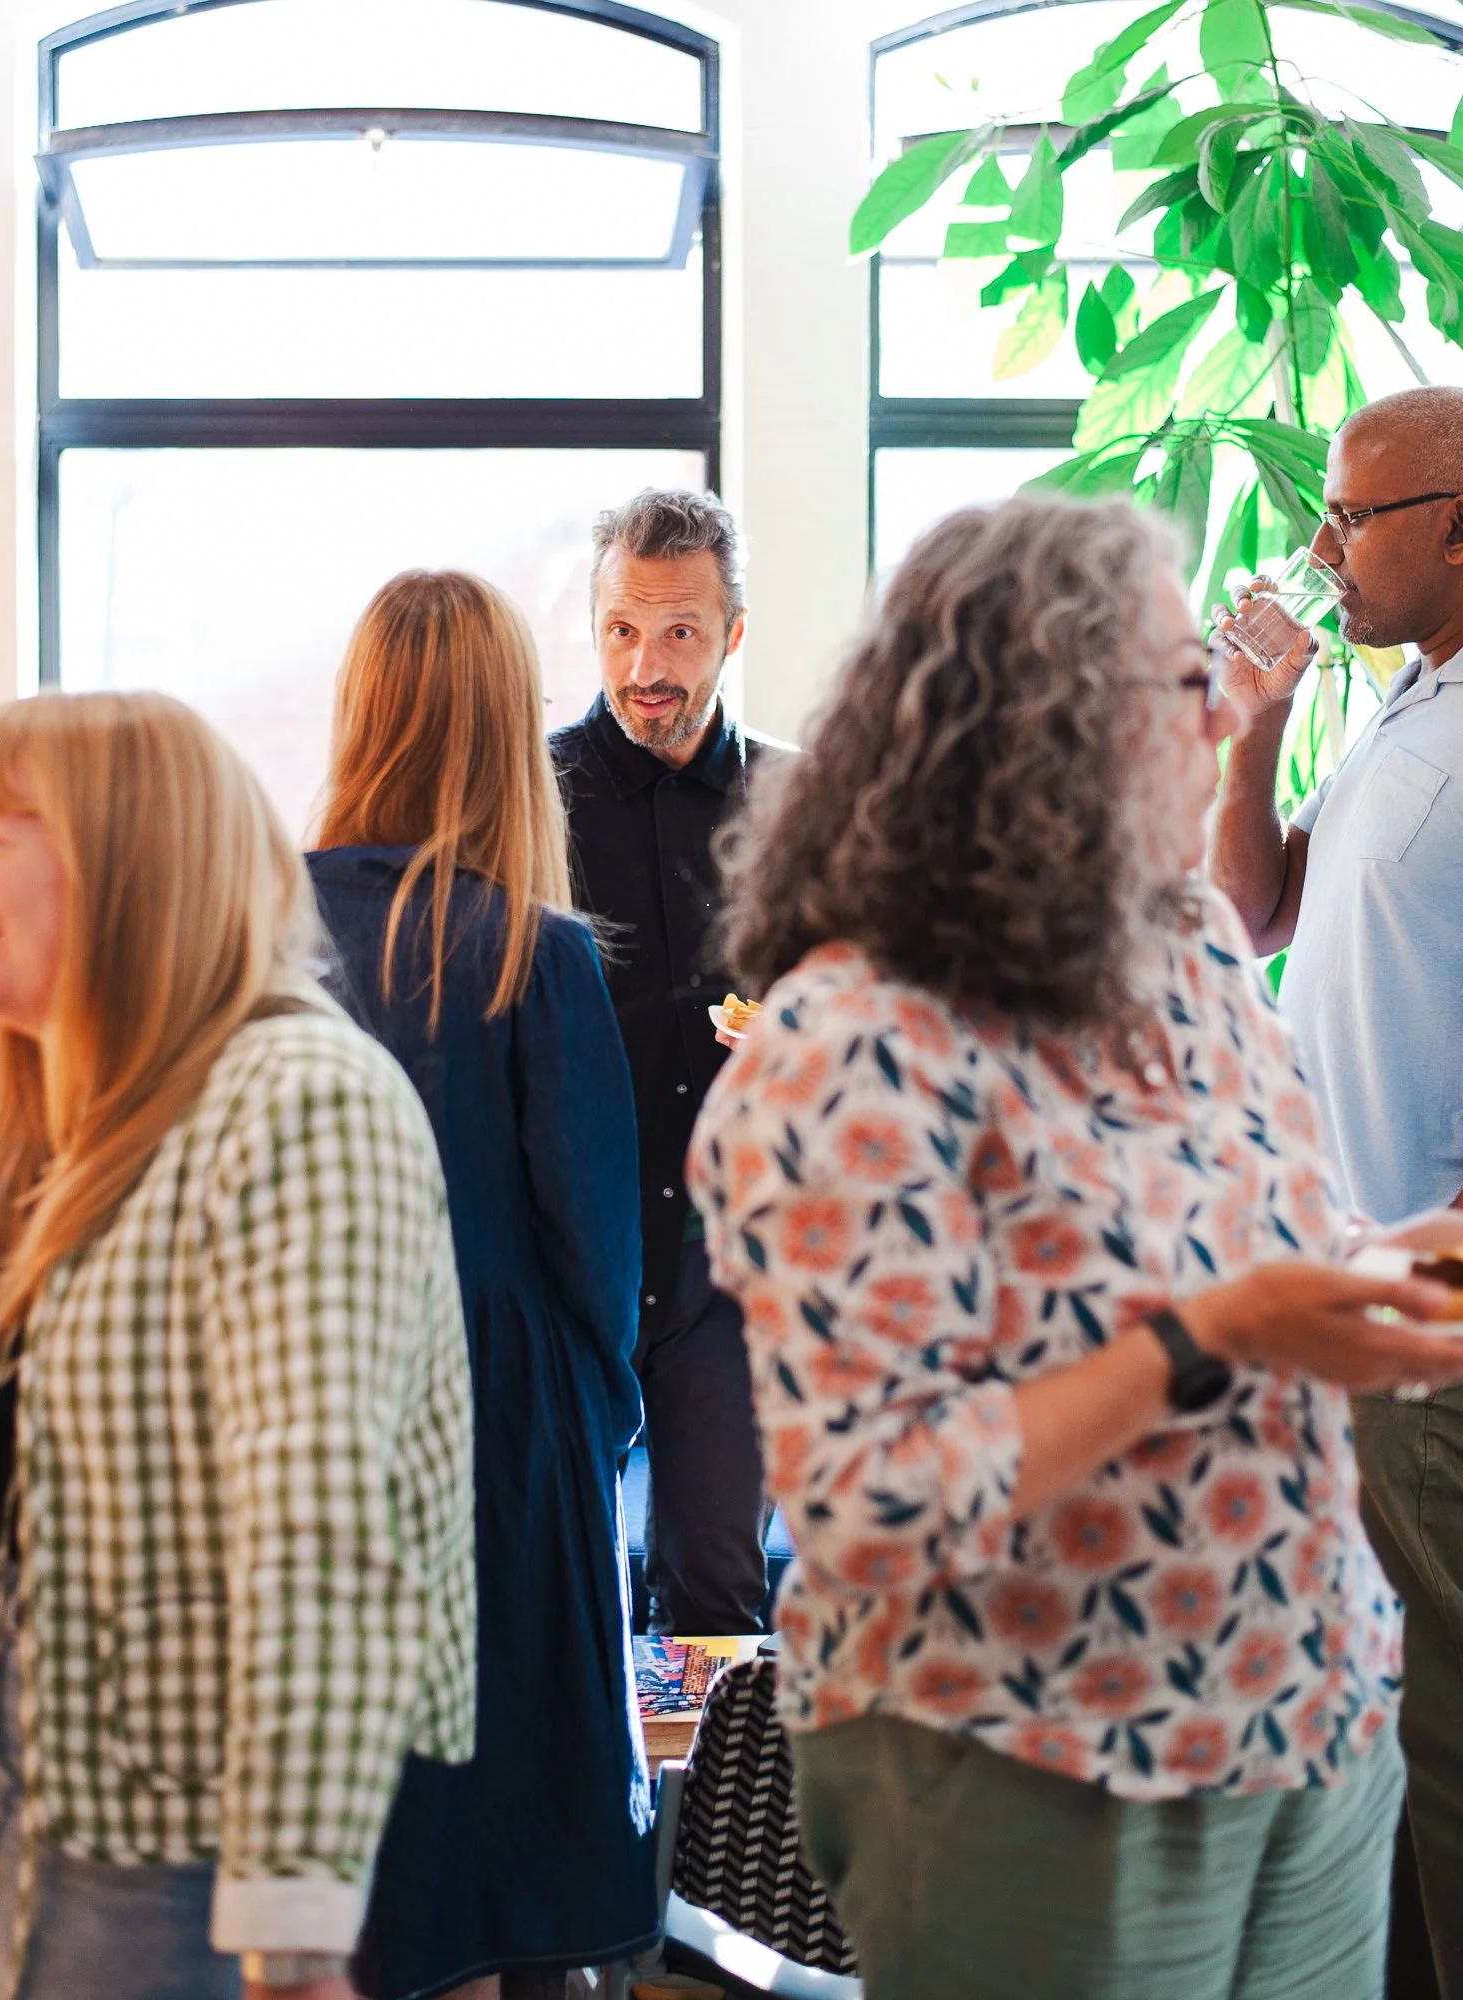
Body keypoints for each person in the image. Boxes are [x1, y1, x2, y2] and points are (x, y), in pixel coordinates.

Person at [686, 495, 1463, 2000]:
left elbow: (1282, 1248)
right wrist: (1212, 1336)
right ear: (1033, 722)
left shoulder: (1191, 952)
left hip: (1311, 1715)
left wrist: (1397, 1264)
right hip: (1040, 1762)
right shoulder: (852, 1045)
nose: (1234, 708)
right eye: (1189, 682)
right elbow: (874, 1499)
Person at [0, 691, 475, 2000]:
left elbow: (322, 1532)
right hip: (16, 1815)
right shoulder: (104, 1119)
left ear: (128, 854)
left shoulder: (298, 1103)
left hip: (167, 1866)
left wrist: (294, 1936)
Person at [308, 571, 655, 2000]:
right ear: (510, 730)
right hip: (503, 1426)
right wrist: (606, 1414)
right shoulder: (534, 946)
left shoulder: (259, 928)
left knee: (368, 1825)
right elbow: (596, 1243)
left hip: (312, 1410)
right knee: (517, 1836)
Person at [1210, 384, 1463, 1994]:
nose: (1322, 551)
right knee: (1366, 1754)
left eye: (1353, 519)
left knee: (1437, 1759)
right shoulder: (1399, 703)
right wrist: (1252, 732)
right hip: (1340, 1312)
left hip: (1427, 1331)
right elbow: (1251, 910)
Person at [550, 488, 787, 1636]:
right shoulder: (522, 796)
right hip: (564, 1263)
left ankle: (715, 1825)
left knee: (716, 1600)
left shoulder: (803, 803)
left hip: (730, 1272)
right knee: (560, 1606)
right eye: (621, 629)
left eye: (681, 631)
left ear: (733, 633)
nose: (647, 662)